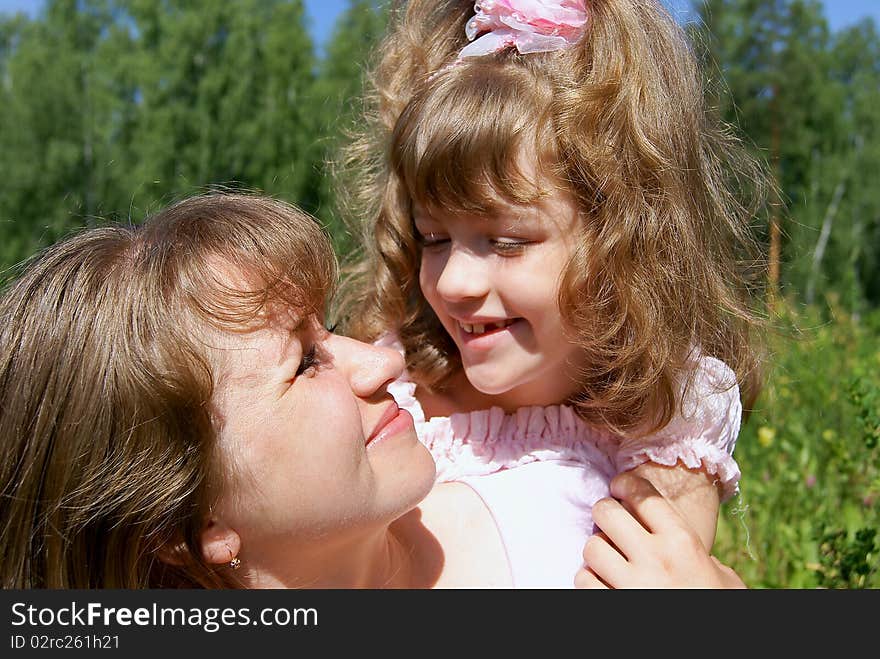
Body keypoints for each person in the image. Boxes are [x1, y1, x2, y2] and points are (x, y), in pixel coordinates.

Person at [0, 191, 745, 589]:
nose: (379, 363)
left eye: (328, 332)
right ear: (190, 528)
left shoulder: (568, 510)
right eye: (303, 362)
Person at [340, 0, 768, 587]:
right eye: (432, 238)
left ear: (621, 238)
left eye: (508, 241)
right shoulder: (395, 394)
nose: (454, 282)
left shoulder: (663, 418)